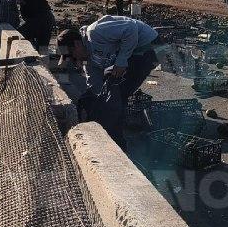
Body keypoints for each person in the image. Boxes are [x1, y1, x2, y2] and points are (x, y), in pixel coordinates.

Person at [56, 16, 160, 147]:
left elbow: (130, 28)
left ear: (77, 45)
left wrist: (122, 61)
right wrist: (96, 101)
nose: (74, 60)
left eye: (71, 55)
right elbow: (94, 82)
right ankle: (111, 131)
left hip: (148, 47)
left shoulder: (96, 32)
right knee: (108, 92)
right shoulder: (88, 60)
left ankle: (118, 143)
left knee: (119, 92)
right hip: (132, 55)